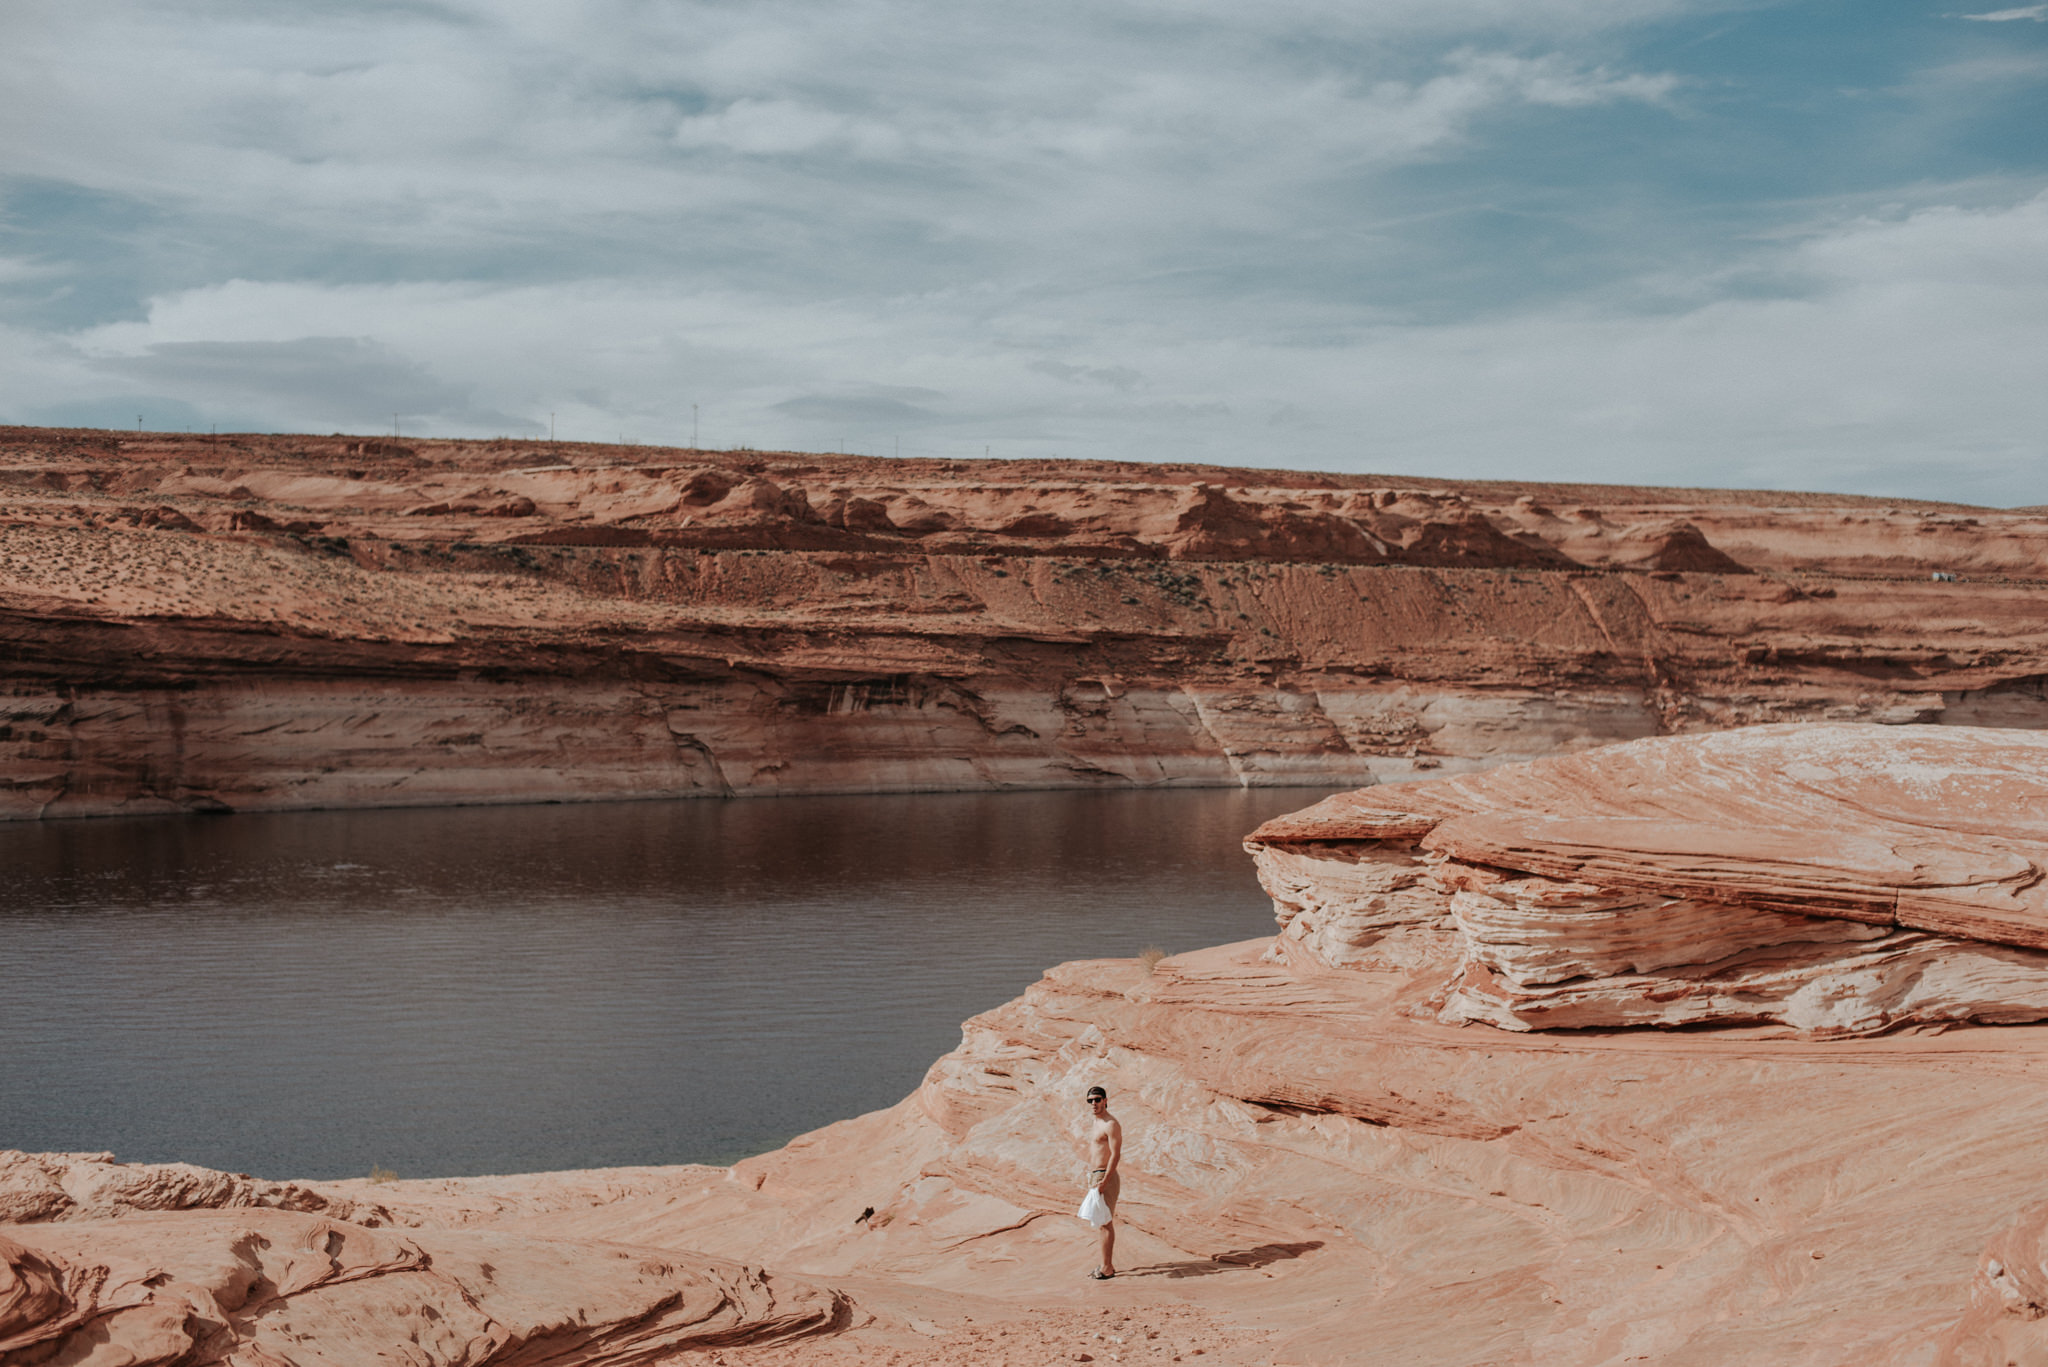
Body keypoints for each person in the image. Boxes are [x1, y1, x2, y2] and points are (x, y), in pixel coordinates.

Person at [1081, 1084, 1122, 1279]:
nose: (1094, 1103)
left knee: (1105, 1222)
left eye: (1097, 1099)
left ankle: (1107, 1267)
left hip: (1106, 1176)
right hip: (1096, 1176)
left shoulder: (1110, 1124)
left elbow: (1115, 1155)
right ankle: (1105, 1264)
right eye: (1090, 1100)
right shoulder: (1096, 1122)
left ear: (1105, 1100)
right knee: (1100, 1222)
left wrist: (1105, 1181)